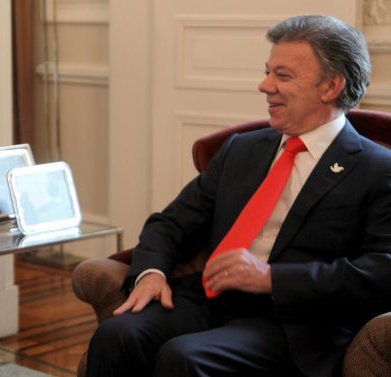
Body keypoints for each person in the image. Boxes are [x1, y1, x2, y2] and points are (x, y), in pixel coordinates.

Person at [86, 15, 391, 377]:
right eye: (267, 71)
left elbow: (381, 269)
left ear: (330, 86)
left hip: (292, 323)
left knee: (184, 358)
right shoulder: (241, 150)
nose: (264, 85)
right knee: (116, 335)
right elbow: (171, 222)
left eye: (282, 75)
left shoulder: (377, 168)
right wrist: (151, 273)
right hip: (210, 300)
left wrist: (271, 278)